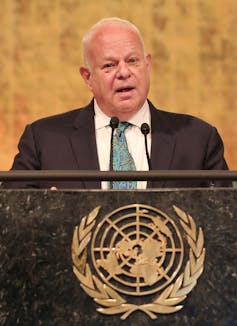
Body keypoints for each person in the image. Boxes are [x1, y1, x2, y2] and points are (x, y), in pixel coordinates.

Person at [3, 17, 230, 189]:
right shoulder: (43, 139)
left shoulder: (198, 139)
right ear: (88, 77)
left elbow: (226, 225)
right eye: (109, 65)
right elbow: (11, 218)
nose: (124, 72)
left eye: (132, 61)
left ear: (147, 64)